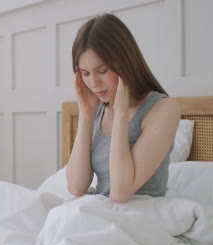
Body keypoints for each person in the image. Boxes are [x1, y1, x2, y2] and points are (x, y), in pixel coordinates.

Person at [66, 13, 180, 203]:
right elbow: (76, 187)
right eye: (85, 73)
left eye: (102, 71)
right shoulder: (97, 108)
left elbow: (120, 192)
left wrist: (120, 113)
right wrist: (86, 114)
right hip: (100, 212)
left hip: (140, 215)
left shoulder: (164, 109)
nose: (93, 83)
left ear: (125, 63)